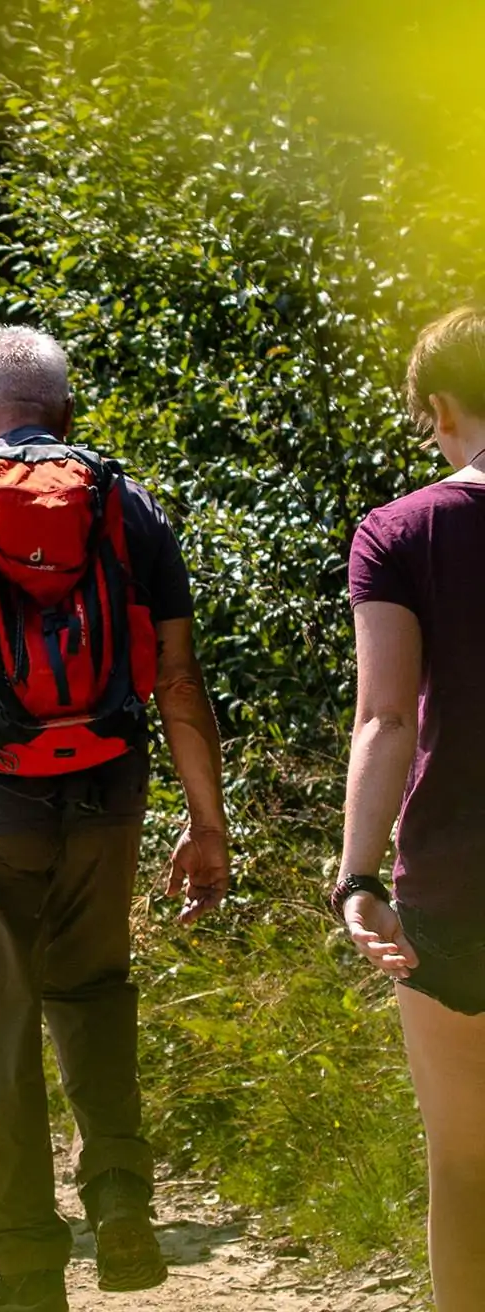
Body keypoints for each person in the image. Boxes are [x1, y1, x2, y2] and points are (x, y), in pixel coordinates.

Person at [0, 327, 229, 1312]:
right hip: (107, 794)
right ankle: (120, 1200)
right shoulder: (126, 500)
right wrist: (207, 823)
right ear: (67, 412)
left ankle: (30, 1265)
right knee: (94, 991)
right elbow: (176, 677)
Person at [337, 307, 485, 1311]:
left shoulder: (402, 532)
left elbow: (386, 719)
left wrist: (356, 876)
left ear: (442, 407)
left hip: (458, 877)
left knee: (465, 1165)